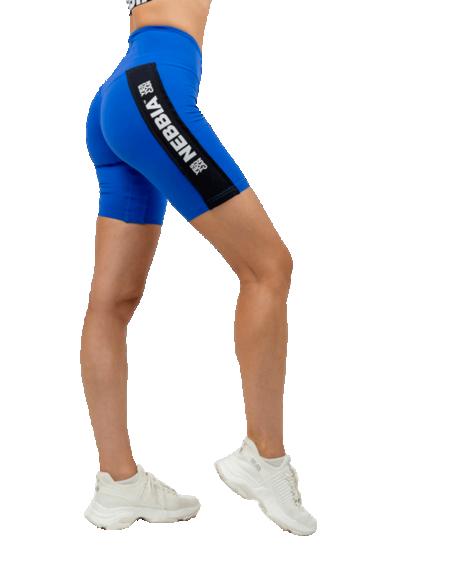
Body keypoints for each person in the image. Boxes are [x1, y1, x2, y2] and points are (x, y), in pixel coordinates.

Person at [81, 0, 316, 535]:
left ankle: (118, 483)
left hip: (121, 91)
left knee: (112, 302)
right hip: (153, 89)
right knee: (268, 267)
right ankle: (265, 457)